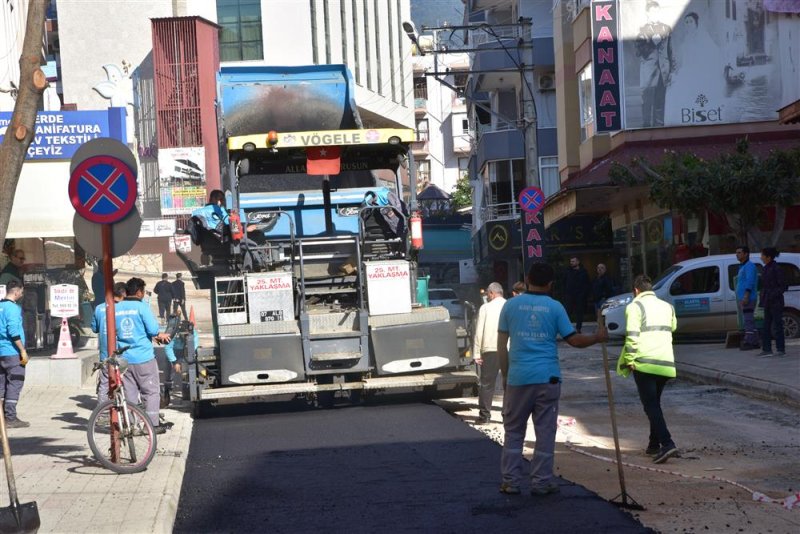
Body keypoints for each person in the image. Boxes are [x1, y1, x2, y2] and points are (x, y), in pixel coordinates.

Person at [497, 262, 607, 496]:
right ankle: (541, 481)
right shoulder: (556, 307)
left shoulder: (510, 306)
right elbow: (574, 340)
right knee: (545, 432)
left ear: (527, 279)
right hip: (548, 378)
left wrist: (505, 377)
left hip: (519, 378)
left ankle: (511, 481)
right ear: (550, 284)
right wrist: (597, 337)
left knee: (514, 431)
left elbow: (500, 347)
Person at [616, 275, 679, 464]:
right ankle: (653, 445)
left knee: (650, 405)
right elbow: (673, 327)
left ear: (636, 290)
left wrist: (629, 359)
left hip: (644, 361)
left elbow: (632, 336)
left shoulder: (635, 306)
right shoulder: (667, 306)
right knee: (655, 404)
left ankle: (667, 443)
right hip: (665, 362)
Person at [115, 277, 171, 432]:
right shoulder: (142, 307)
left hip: (124, 359)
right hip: (143, 357)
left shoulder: (116, 308)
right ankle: (152, 425)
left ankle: (132, 425)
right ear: (139, 292)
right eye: (143, 291)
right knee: (151, 392)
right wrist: (159, 335)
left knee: (130, 393)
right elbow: (153, 330)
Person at [634, 0, 673, 127]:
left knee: (660, 102)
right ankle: (646, 128)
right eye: (652, 12)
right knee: (647, 103)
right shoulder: (641, 30)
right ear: (647, 13)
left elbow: (670, 50)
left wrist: (672, 70)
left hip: (663, 71)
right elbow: (638, 52)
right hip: (649, 74)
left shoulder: (666, 28)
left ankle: (659, 127)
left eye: (657, 11)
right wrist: (652, 43)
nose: (655, 14)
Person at [472, 282, 507, 425]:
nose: (487, 296)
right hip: (508, 349)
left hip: (490, 349)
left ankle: (485, 417)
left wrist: (476, 353)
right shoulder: (510, 306)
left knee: (487, 384)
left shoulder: (485, 308)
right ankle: (507, 416)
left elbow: (479, 331)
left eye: (487, 293)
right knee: (509, 384)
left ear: (492, 293)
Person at [91, 282, 127, 403]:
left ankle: (102, 412)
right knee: (126, 381)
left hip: (104, 354)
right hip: (121, 353)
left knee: (104, 383)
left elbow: (94, 328)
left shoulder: (99, 308)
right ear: (123, 293)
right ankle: (125, 409)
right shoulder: (124, 308)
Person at [0, 281, 29, 428]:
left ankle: (1, 417)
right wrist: (22, 350)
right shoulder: (13, 308)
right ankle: (10, 418)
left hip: (1, 352)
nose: (22, 295)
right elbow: (13, 331)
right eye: (21, 292)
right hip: (12, 352)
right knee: (15, 382)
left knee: (2, 384)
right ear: (16, 292)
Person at [758, 248, 786, 357]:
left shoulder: (777, 269)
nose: (761, 257)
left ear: (768, 257)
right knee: (766, 325)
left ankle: (780, 349)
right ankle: (767, 349)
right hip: (767, 301)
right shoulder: (765, 269)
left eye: (762, 255)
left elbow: (783, 286)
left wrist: (772, 295)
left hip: (776, 301)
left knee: (777, 325)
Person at [735, 246, 759, 350]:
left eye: (739, 252)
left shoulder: (749, 266)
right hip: (744, 298)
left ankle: (750, 341)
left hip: (748, 298)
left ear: (746, 254)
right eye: (736, 252)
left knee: (748, 320)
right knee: (749, 320)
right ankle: (755, 341)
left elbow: (750, 281)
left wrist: (746, 296)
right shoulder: (742, 267)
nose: (737, 254)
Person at [564, 257, 591, 333]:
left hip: (580, 296)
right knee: (568, 312)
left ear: (578, 262)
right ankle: (567, 329)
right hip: (570, 295)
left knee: (579, 312)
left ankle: (578, 328)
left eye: (573, 261)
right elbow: (565, 282)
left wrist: (584, 294)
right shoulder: (568, 271)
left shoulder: (583, 272)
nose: (571, 263)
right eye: (571, 261)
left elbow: (587, 284)